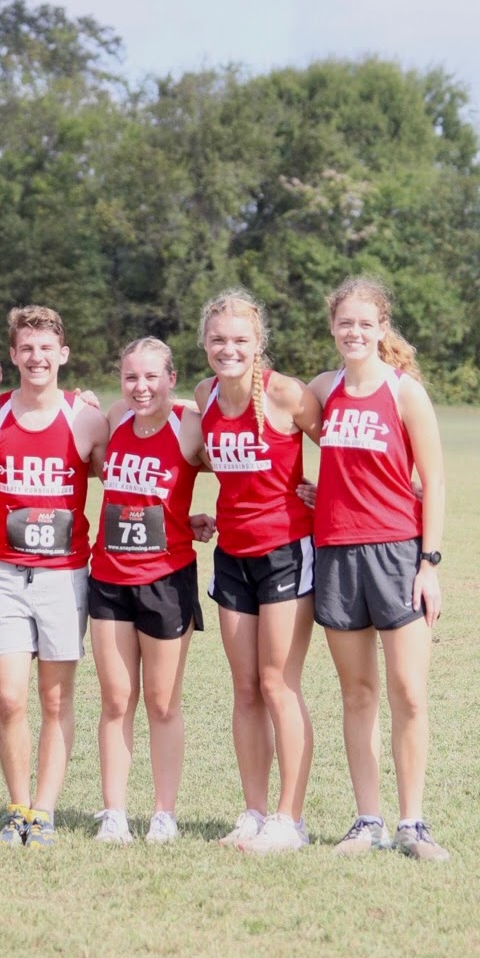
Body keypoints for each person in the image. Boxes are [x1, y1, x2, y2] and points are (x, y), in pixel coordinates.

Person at [307, 277, 448, 861]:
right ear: (333, 327)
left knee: (409, 694)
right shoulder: (322, 388)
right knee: (358, 693)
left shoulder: (404, 392)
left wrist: (429, 563)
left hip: (397, 553)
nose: (354, 332)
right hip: (337, 553)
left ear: (382, 328)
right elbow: (258, 402)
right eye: (345, 323)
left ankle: (413, 824)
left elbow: (434, 480)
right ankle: (368, 820)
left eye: (366, 323)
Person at [0, 306, 108, 847]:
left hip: (64, 576)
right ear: (13, 354)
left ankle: (45, 812)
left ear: (63, 354)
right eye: (26, 348)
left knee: (55, 700)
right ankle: (16, 807)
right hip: (5, 573)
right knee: (9, 698)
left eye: (46, 348)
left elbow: (131, 471)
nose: (36, 358)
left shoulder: (86, 418)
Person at [194, 289, 320, 853]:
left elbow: (342, 444)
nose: (229, 349)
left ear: (258, 342)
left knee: (276, 683)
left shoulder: (287, 393)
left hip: (287, 554)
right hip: (232, 557)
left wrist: (332, 491)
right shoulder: (204, 395)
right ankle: (254, 811)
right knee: (244, 688)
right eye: (219, 339)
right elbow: (195, 457)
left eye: (240, 339)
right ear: (205, 344)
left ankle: (289, 820)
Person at [88, 337, 206, 846]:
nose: (141, 387)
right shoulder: (114, 417)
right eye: (131, 376)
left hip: (166, 579)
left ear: (171, 378)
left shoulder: (189, 422)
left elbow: (242, 469)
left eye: (151, 377)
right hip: (109, 577)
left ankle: (163, 813)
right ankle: (114, 813)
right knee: (116, 700)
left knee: (162, 702)